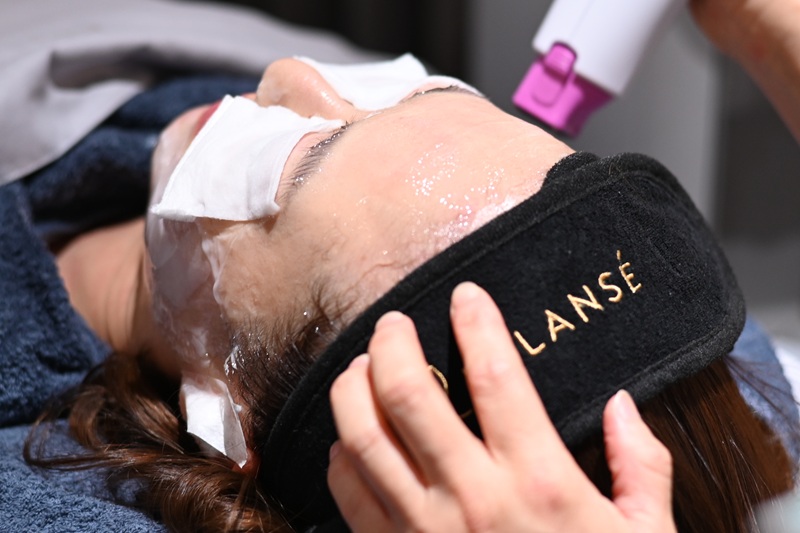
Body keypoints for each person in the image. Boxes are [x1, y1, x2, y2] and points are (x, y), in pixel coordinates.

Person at [11, 2, 798, 533]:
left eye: (305, 159)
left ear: (232, 416)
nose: (292, 74)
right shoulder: (703, 365)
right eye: (419, 92)